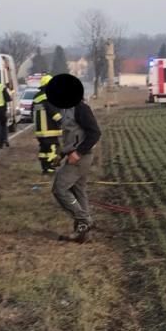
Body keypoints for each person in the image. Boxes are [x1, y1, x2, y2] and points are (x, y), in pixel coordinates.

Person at [44, 74, 102, 243]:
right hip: (74, 156)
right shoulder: (66, 108)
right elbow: (72, 136)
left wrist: (78, 153)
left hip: (81, 157)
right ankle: (82, 233)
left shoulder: (81, 108)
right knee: (78, 191)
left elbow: (95, 133)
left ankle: (84, 220)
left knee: (59, 188)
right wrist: (61, 154)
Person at [32, 74, 62, 175]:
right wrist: (61, 121)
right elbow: (52, 111)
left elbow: (33, 112)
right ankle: (50, 168)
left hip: (40, 130)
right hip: (50, 129)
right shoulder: (48, 96)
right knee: (52, 147)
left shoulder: (36, 97)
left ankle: (44, 167)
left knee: (44, 149)